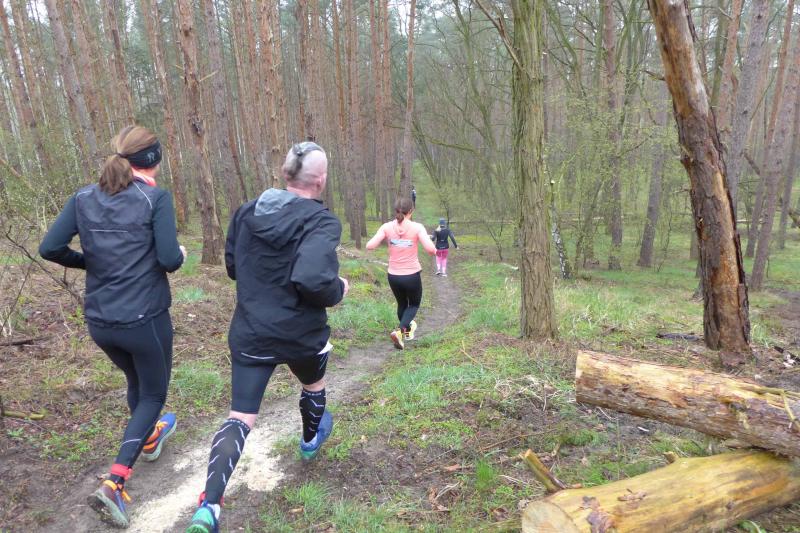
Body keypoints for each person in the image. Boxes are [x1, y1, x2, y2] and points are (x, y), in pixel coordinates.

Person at [186, 142, 348, 533]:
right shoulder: (321, 221)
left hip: (252, 331)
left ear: (285, 174)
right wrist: (339, 289)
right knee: (313, 384)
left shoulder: (246, 212)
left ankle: (209, 507)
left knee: (240, 417)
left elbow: (232, 266)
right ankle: (309, 441)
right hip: (301, 333)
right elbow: (313, 280)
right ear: (321, 180)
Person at [39, 126, 185, 529]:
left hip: (101, 322)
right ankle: (114, 483)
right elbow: (169, 259)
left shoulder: (84, 197)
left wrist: (90, 262)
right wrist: (180, 253)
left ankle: (149, 438)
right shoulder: (155, 198)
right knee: (153, 393)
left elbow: (49, 248)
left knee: (137, 383)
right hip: (145, 319)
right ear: (153, 160)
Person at [366, 198, 436, 350]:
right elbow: (431, 250)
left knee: (402, 304)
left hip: (393, 275)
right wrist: (434, 247)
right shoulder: (417, 227)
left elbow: (369, 246)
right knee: (414, 304)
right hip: (411, 275)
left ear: (396, 210)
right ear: (411, 211)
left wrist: (391, 240)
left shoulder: (386, 227)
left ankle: (406, 332)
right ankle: (399, 331)